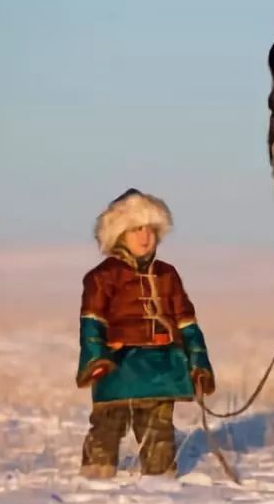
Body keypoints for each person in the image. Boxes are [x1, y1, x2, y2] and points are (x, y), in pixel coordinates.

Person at [76, 188, 216, 479]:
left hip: (163, 367)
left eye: (150, 229)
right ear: (119, 235)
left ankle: (161, 488)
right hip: (118, 367)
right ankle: (94, 490)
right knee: (106, 428)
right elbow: (92, 324)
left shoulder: (167, 275)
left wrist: (199, 364)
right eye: (135, 229)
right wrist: (95, 359)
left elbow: (187, 325)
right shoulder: (102, 277)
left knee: (160, 435)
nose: (144, 237)